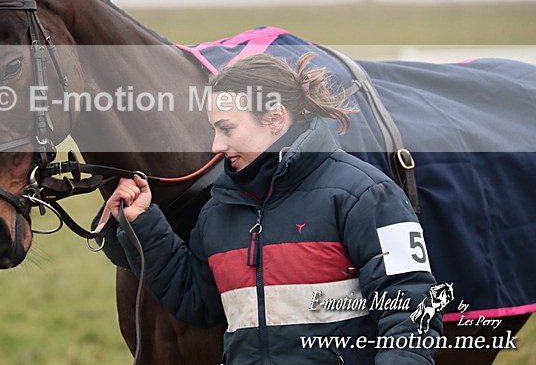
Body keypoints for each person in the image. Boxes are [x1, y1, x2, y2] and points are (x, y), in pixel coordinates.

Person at [103, 53, 442, 364]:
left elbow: (412, 309)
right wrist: (142, 223)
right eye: (214, 130)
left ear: (275, 118)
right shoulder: (218, 211)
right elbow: (197, 300)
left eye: (227, 128)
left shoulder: (367, 194)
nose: (217, 146)